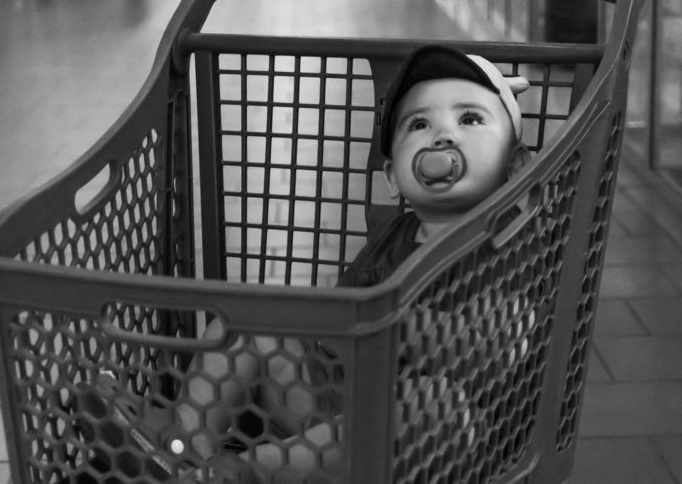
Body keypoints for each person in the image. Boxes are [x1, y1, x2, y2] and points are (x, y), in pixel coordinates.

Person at [75, 46, 531, 481]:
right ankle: (180, 448)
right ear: (393, 177)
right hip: (336, 429)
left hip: (437, 447)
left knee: (432, 403)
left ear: (515, 167)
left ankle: (224, 477)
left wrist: (389, 321)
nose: (442, 136)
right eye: (419, 124)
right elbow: (334, 336)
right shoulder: (392, 239)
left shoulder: (509, 244)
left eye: (470, 118)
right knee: (254, 317)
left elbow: (496, 355)